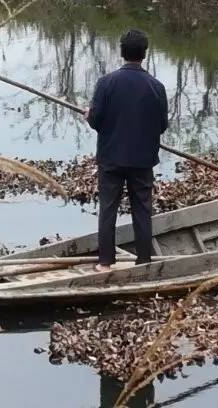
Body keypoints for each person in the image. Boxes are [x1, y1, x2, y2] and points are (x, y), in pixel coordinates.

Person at [84, 29, 168, 271]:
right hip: (142, 160)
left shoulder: (106, 83)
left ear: (122, 51)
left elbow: (97, 122)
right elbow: (162, 125)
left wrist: (89, 116)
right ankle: (144, 261)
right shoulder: (157, 87)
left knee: (108, 208)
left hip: (111, 158)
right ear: (144, 53)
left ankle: (105, 262)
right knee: (142, 209)